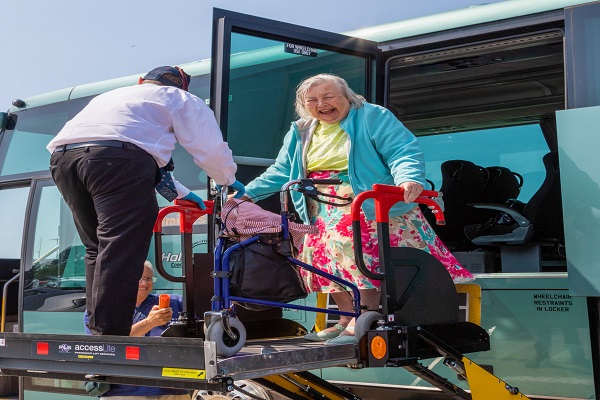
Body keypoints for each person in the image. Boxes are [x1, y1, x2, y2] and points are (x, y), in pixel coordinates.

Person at [243, 73, 473, 345]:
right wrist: (246, 192)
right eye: (312, 100)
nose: (322, 104)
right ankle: (344, 319)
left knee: (352, 248)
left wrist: (409, 178)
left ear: (347, 97)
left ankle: (365, 314)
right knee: (319, 257)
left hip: (365, 201)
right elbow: (281, 170)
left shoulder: (372, 116)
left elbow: (402, 150)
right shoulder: (302, 129)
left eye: (329, 97)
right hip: (318, 204)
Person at [47, 66, 245, 337]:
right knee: (122, 247)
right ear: (181, 87)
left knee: (97, 247)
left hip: (64, 160)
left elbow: (121, 145)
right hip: (115, 160)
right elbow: (208, 147)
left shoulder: (112, 97)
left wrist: (182, 194)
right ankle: (111, 336)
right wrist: (227, 178)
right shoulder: (179, 98)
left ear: (141, 81)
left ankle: (99, 331)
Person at [84, 261, 191, 399]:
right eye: (139, 278)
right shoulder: (101, 311)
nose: (144, 284)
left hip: (173, 389)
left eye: (148, 279)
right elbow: (106, 346)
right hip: (124, 391)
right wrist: (149, 322)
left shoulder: (176, 303)